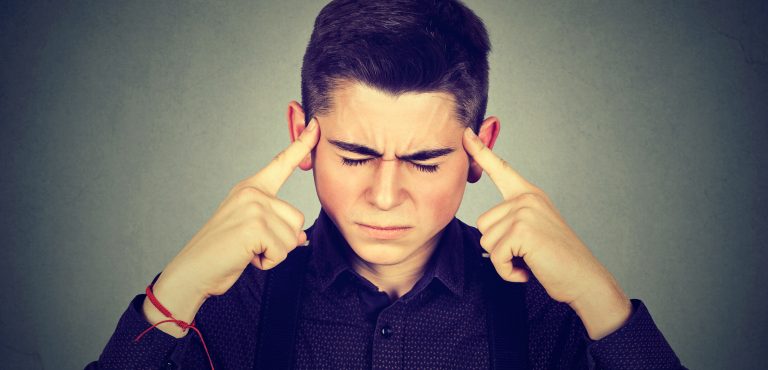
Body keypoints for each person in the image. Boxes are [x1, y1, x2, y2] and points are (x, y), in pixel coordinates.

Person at [88, 0, 685, 369]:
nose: (384, 196)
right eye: (354, 156)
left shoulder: (550, 307)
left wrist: (602, 302)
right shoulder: (231, 302)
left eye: (424, 161)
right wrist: (178, 288)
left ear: (482, 151)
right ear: (303, 134)